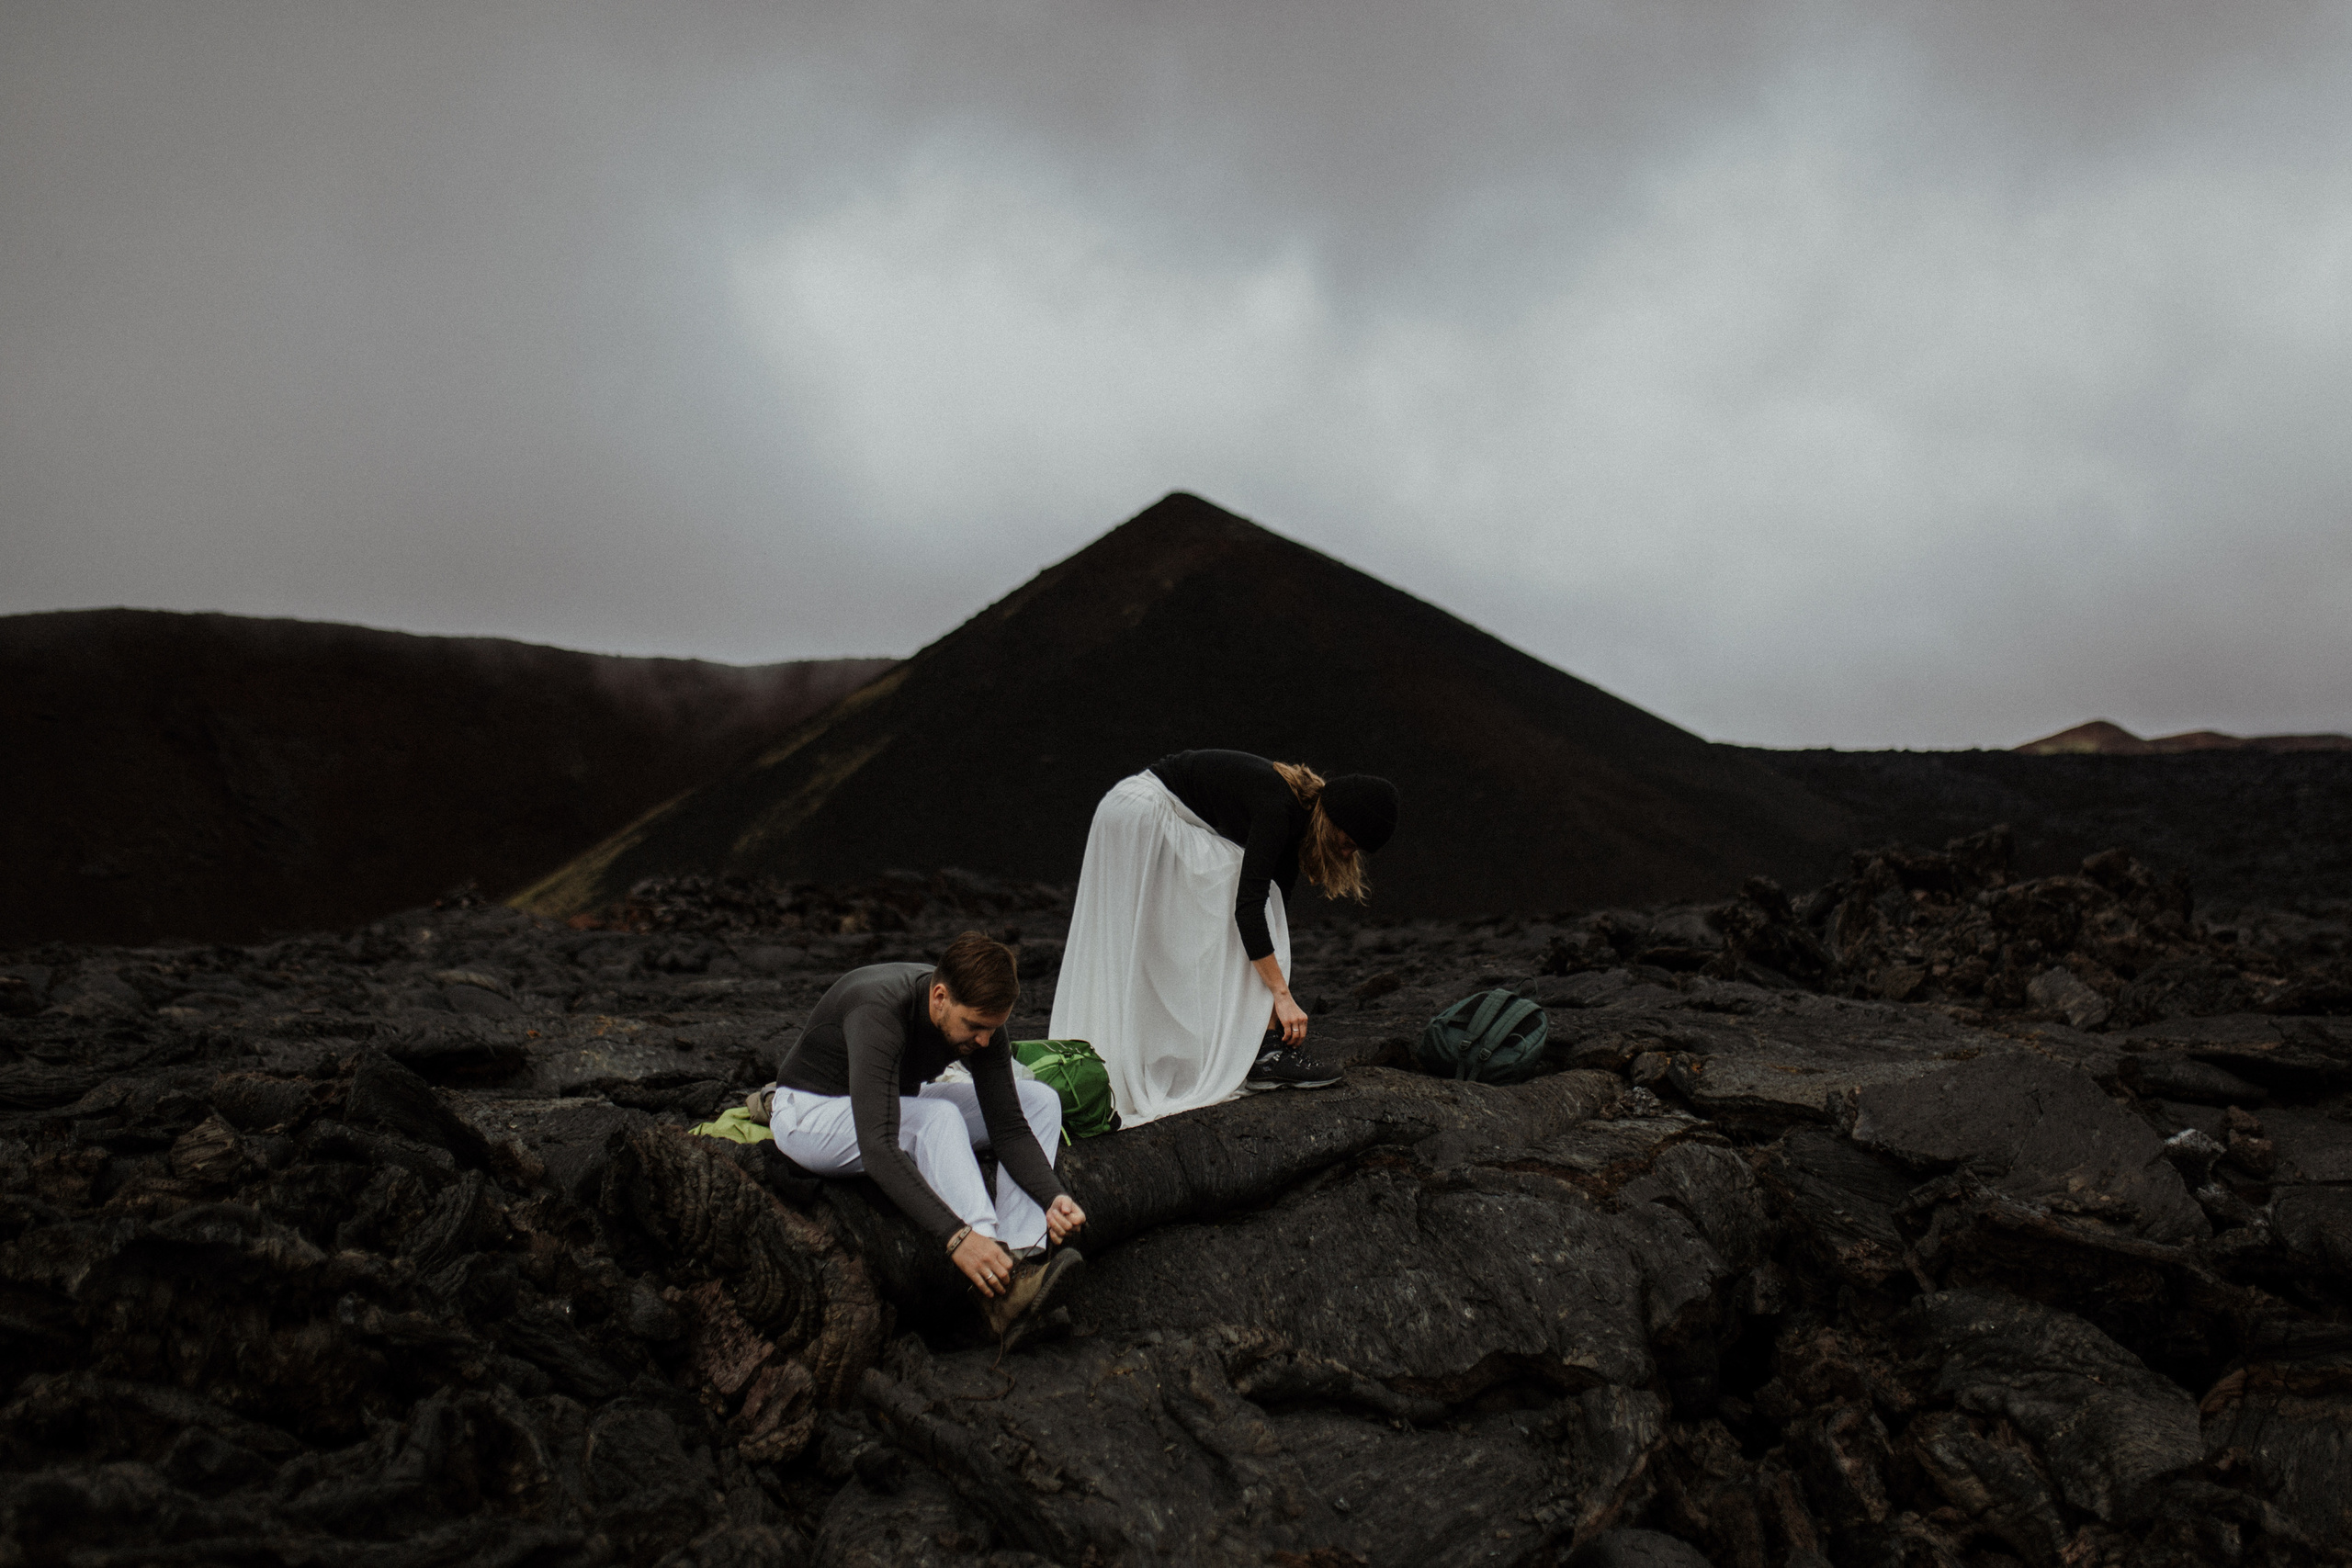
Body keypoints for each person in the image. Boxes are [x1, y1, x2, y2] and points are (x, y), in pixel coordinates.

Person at [748, 931, 1086, 1342]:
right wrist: (957, 1237)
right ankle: (996, 1278)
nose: (984, 1040)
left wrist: (1053, 1196)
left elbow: (1009, 1126)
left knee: (1040, 1101)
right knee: (937, 1118)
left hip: (890, 1097)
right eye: (975, 1027)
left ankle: (1022, 1260)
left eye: (993, 1029)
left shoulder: (983, 1026)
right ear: (940, 997)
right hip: (812, 1113)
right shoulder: (880, 1010)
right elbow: (878, 1146)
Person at [1049, 750, 1398, 1126]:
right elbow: (1249, 908)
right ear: (1334, 821)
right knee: (1235, 884)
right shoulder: (1280, 809)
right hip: (1144, 812)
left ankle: (1253, 1046)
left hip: (1123, 810)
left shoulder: (1294, 812)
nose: (1348, 853)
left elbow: (1274, 906)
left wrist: (1274, 1005)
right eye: (1349, 842)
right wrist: (1281, 995)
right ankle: (1262, 1054)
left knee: (1222, 912)